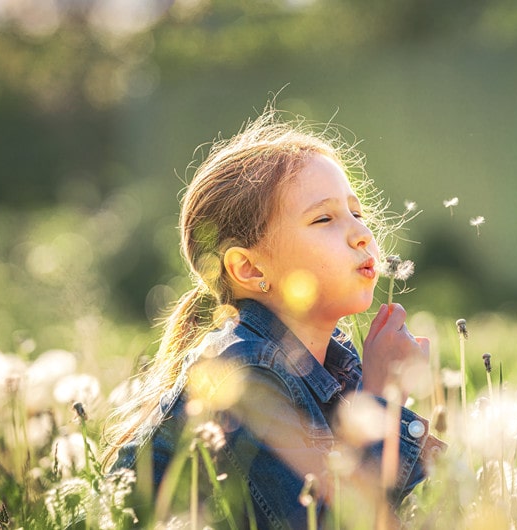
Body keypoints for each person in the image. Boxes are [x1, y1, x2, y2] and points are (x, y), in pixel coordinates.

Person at [102, 106, 443, 529]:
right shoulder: (243, 373)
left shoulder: (332, 365)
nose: (362, 234)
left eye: (357, 213)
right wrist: (383, 398)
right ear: (250, 269)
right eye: (324, 218)